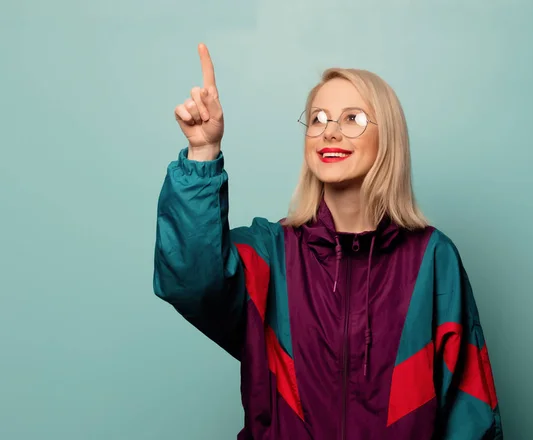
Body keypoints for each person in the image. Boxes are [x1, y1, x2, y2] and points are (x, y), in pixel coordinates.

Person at [153, 43, 503, 440]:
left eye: (352, 118)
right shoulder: (271, 253)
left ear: (387, 137)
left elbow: (469, 409)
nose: (329, 130)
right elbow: (190, 280)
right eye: (318, 118)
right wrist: (202, 153)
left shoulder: (433, 259)